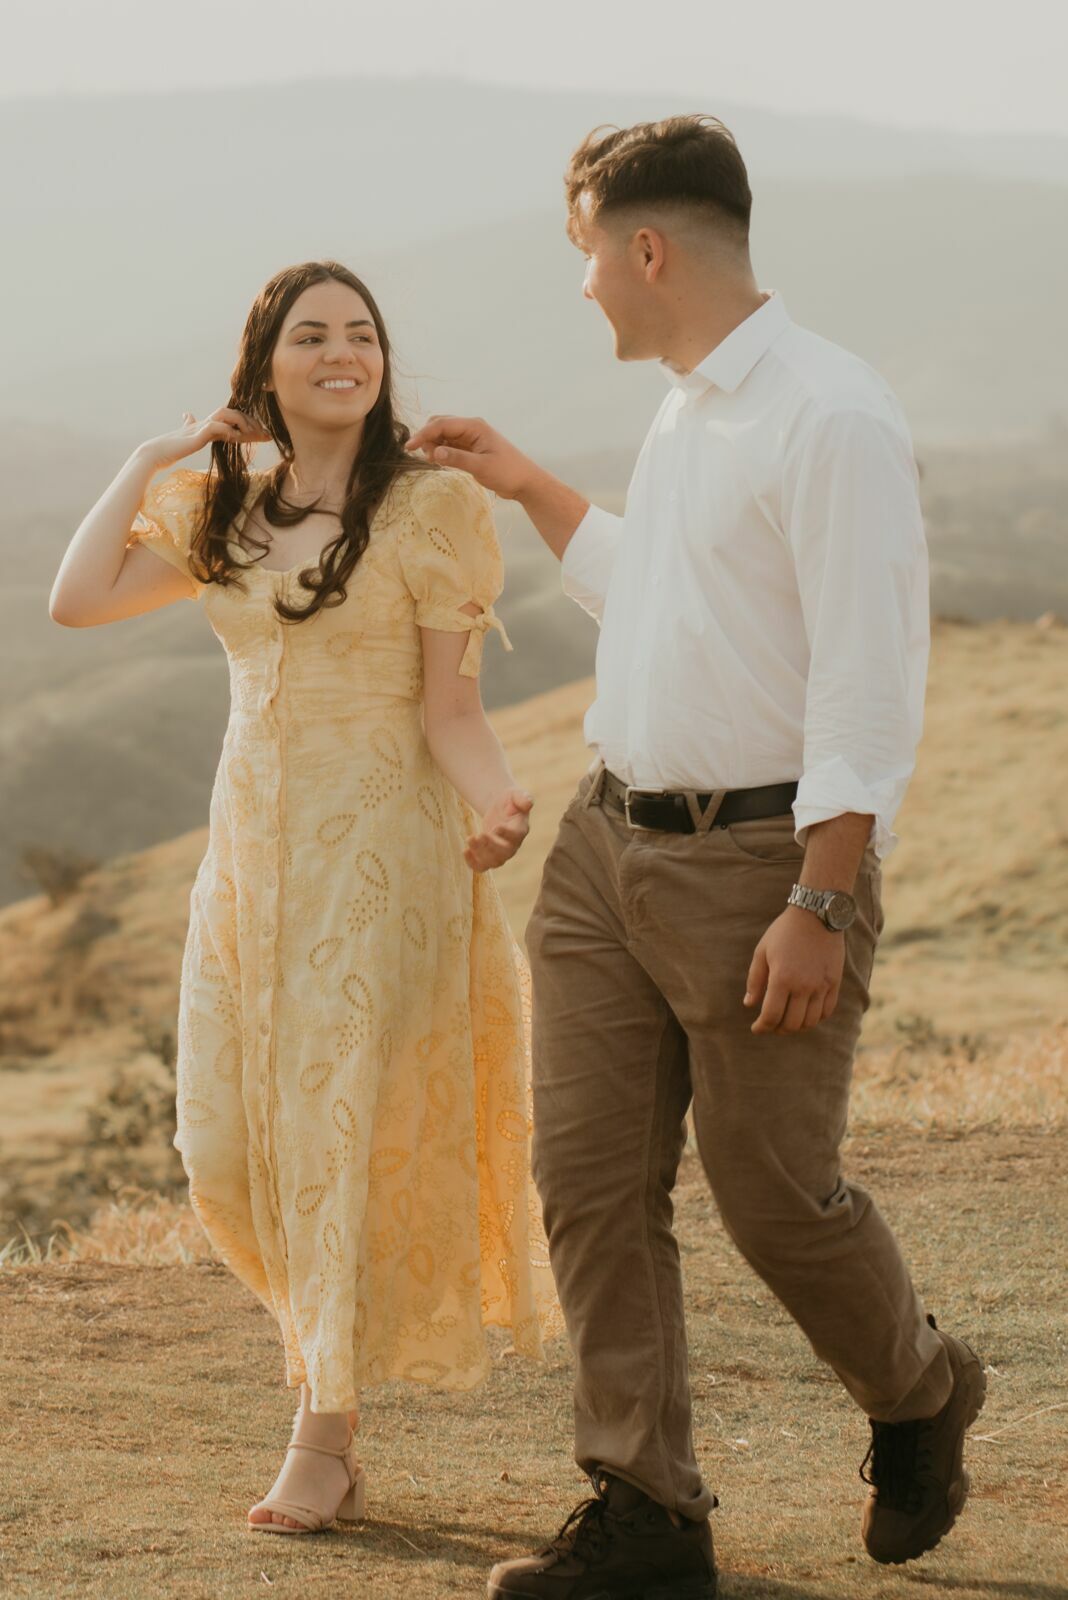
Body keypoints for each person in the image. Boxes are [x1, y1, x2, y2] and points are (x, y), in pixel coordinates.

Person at [406, 115, 985, 1597]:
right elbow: (670, 601)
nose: (584, 287)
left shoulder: (828, 415)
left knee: (772, 1191)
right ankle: (646, 1511)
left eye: (587, 256)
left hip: (762, 866)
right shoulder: (686, 404)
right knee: (592, 1182)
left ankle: (920, 1390)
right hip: (607, 848)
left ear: (645, 248)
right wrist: (536, 489)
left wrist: (818, 896)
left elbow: (868, 682)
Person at [50, 259, 559, 1535]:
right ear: (265, 364)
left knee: (336, 1128)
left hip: (382, 861)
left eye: (363, 334)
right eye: (311, 335)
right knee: (223, 1144)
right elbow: (78, 599)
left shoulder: (434, 506)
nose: (343, 352)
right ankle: (324, 1362)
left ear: (384, 361)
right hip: (250, 866)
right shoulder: (223, 505)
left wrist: (499, 802)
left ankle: (320, 1437)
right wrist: (150, 452)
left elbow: (453, 705)